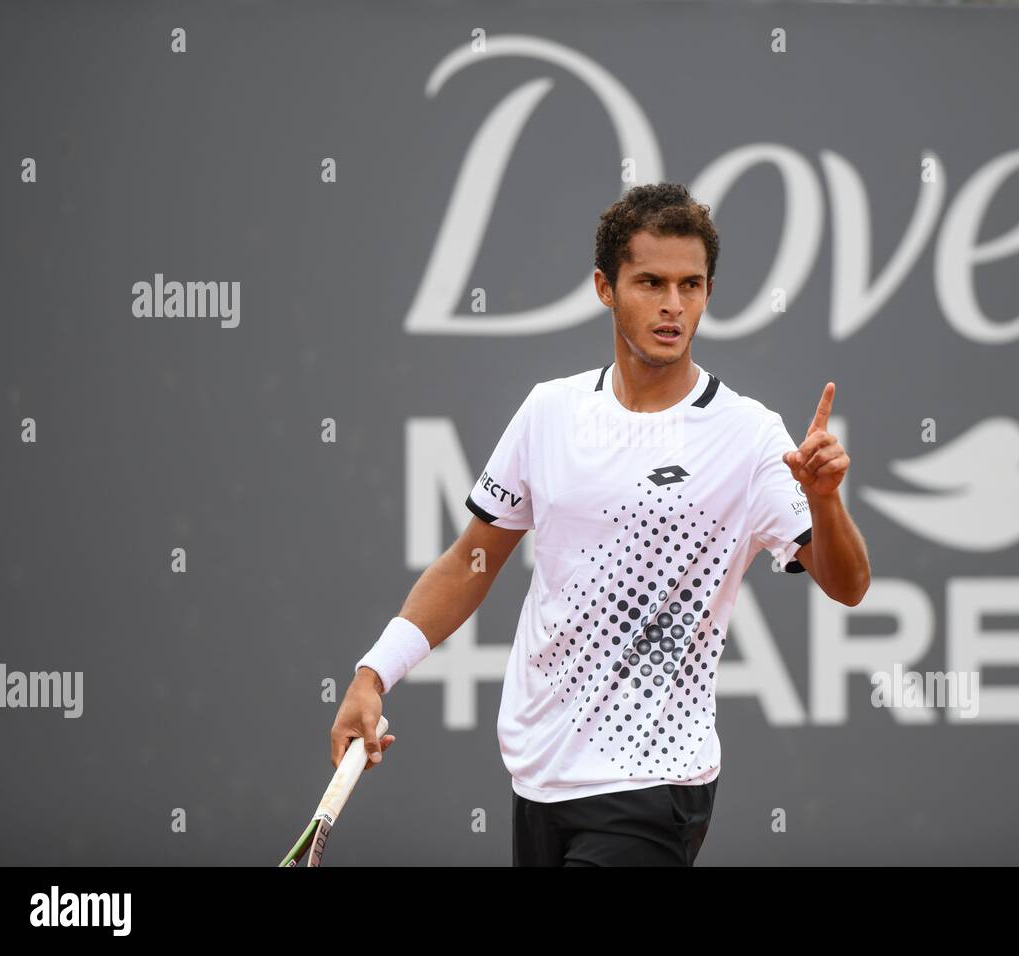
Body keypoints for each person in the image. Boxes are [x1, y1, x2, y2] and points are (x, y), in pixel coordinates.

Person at [331, 182, 871, 866]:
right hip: (539, 777)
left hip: (654, 782)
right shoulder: (548, 413)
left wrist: (825, 500)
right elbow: (472, 561)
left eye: (691, 285)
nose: (674, 305)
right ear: (605, 288)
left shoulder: (749, 435)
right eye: (650, 282)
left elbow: (847, 585)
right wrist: (373, 674)